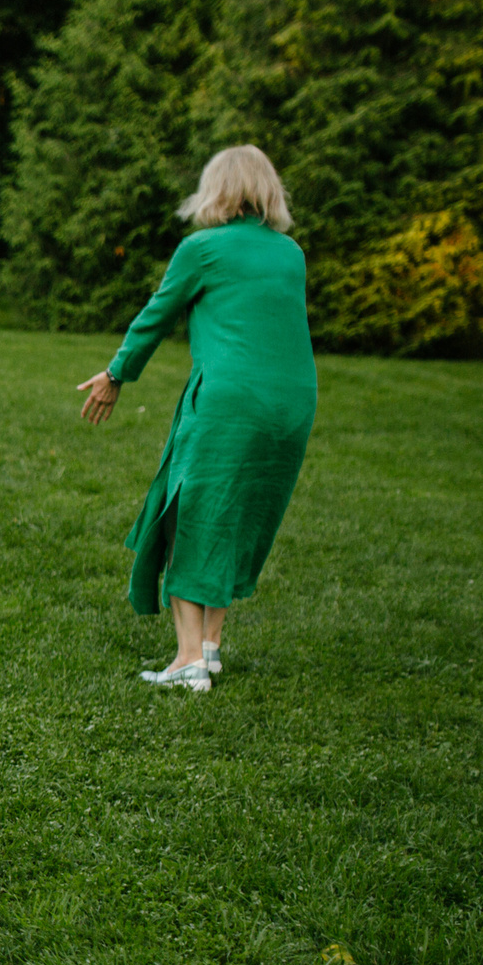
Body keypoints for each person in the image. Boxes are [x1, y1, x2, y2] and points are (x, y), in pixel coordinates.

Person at [78, 145, 318, 693]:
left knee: (194, 513)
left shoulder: (202, 249)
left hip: (231, 402)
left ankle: (187, 662)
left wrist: (116, 375)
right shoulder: (291, 253)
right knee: (240, 514)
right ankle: (208, 649)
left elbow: (156, 315)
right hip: (293, 403)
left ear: (215, 189)